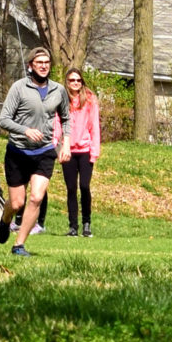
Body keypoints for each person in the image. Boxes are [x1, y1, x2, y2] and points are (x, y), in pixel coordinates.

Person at [0, 47, 69, 256]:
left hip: (45, 150)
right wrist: (25, 130)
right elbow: (4, 119)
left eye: (47, 62)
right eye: (39, 62)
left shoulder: (58, 90)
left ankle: (19, 245)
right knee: (18, 202)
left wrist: (67, 142)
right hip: (18, 151)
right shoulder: (19, 88)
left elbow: (66, 117)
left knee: (37, 197)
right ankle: (5, 218)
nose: (44, 66)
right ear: (31, 66)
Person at [60, 68, 101, 237]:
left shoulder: (90, 101)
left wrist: (94, 152)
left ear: (82, 82)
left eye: (78, 80)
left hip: (85, 150)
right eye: (72, 80)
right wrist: (59, 147)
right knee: (71, 189)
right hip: (68, 150)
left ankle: (86, 223)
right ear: (67, 82)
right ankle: (73, 226)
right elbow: (57, 124)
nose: (75, 83)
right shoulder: (62, 101)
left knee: (84, 186)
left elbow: (94, 128)